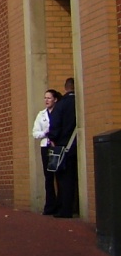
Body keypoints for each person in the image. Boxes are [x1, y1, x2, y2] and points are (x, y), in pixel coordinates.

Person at [46, 77, 78, 218]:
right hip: (78, 143)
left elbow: (55, 125)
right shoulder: (80, 101)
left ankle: (65, 209)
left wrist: (53, 138)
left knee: (64, 179)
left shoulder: (61, 105)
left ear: (66, 88)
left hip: (63, 146)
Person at [32, 89, 61, 215]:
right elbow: (35, 133)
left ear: (55, 99)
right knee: (48, 177)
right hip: (45, 146)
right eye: (45, 98)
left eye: (49, 98)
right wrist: (45, 133)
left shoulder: (59, 112)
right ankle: (50, 206)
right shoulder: (41, 114)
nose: (46, 100)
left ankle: (61, 205)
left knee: (59, 175)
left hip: (57, 146)